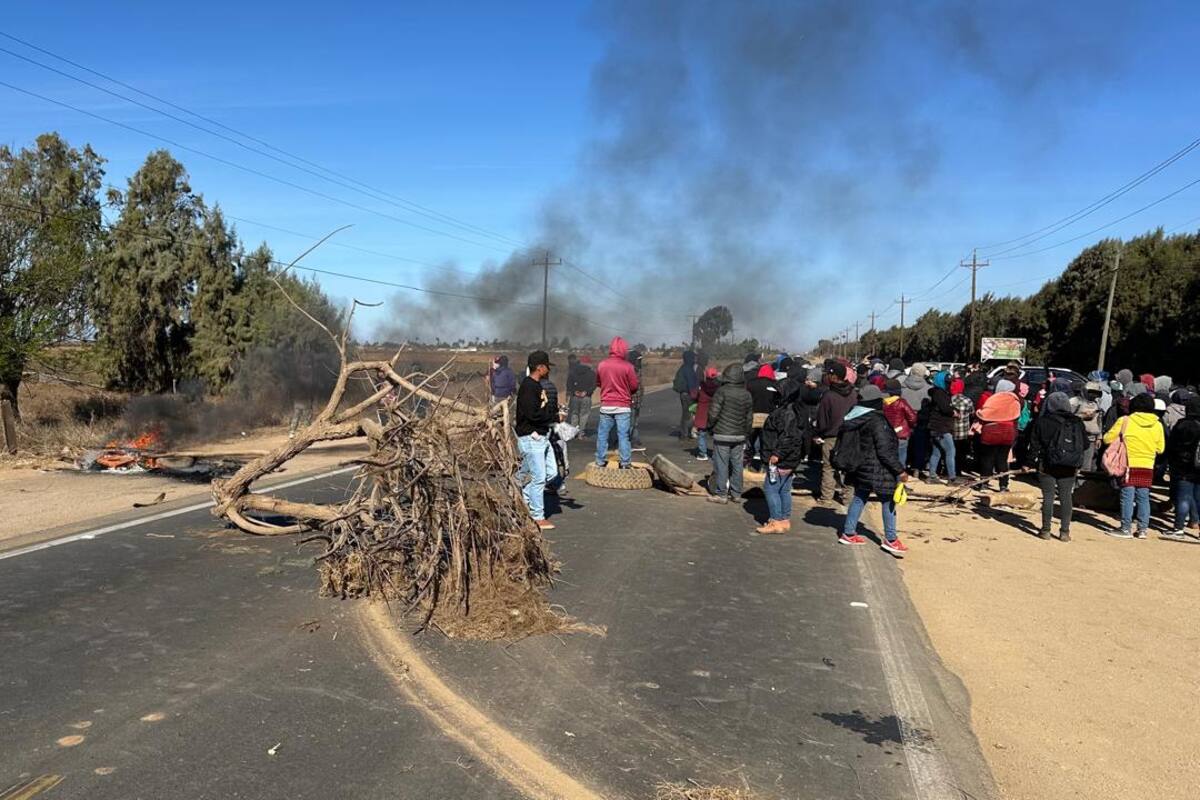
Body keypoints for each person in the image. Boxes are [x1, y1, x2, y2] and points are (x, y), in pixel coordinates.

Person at [837, 385, 909, 557]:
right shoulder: (877, 420)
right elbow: (884, 451)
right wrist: (900, 470)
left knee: (860, 497)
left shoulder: (856, 416)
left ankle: (848, 532)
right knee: (888, 501)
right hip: (879, 469)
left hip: (862, 466)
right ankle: (891, 539)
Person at [1103, 393, 1165, 539]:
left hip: (1128, 463)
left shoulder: (1125, 420)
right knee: (1143, 496)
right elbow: (1160, 448)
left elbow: (1107, 439)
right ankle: (1142, 529)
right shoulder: (1157, 424)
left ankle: (1125, 528)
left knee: (1127, 496)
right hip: (1148, 465)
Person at [1027, 392, 1087, 541]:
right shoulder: (1077, 422)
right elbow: (1085, 444)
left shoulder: (1043, 421)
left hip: (1048, 464)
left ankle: (1046, 530)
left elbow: (1034, 445)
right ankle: (1064, 532)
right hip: (1070, 465)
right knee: (1066, 497)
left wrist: (1028, 463)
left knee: (1048, 497)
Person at [514, 351, 559, 530]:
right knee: (539, 477)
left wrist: (554, 413)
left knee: (551, 473)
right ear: (540, 367)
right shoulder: (528, 387)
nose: (548, 369)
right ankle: (537, 516)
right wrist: (551, 415)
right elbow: (532, 414)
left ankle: (524, 500)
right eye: (546, 366)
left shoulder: (537, 385)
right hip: (531, 437)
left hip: (542, 436)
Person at [758, 380, 806, 533]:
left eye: (777, 394)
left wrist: (776, 454)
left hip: (781, 458)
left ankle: (776, 520)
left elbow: (788, 437)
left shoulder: (787, 413)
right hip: (791, 458)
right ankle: (784, 519)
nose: (774, 396)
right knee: (784, 490)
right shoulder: (798, 410)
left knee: (771, 489)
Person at [706, 363, 753, 504]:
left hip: (722, 434)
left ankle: (721, 494)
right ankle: (736, 493)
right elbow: (749, 417)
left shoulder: (721, 392)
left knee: (721, 464)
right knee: (737, 464)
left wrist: (710, 427)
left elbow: (713, 413)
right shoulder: (746, 394)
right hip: (739, 435)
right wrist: (747, 433)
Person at [814, 362, 858, 505]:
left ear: (833, 376)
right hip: (850, 435)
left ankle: (826, 497)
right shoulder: (853, 393)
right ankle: (848, 498)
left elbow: (822, 419)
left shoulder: (828, 395)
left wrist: (818, 433)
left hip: (831, 436)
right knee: (848, 467)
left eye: (828, 374)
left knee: (829, 467)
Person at [594, 337, 639, 470]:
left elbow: (598, 382)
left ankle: (600, 461)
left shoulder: (602, 365)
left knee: (602, 435)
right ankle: (625, 463)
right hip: (623, 406)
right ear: (623, 350)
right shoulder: (628, 366)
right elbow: (634, 386)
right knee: (623, 436)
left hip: (606, 405)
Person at [1165, 395, 1200, 538]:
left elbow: (1172, 446)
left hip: (1183, 467)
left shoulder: (1182, 425)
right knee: (1198, 499)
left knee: (1184, 498)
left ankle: (1178, 528)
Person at [977, 379, 1021, 492]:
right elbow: (1016, 416)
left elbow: (984, 414)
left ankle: (983, 483)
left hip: (991, 430)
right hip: (1008, 431)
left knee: (987, 459)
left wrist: (978, 413)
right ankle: (1003, 485)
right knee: (1002, 459)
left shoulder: (993, 399)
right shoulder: (1014, 400)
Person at [746, 364, 780, 469]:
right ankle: (764, 466)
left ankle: (747, 462)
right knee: (766, 443)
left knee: (750, 441)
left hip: (753, 416)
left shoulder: (751, 384)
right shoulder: (775, 385)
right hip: (768, 417)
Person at [926, 371, 957, 483]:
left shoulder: (939, 392)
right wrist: (954, 412)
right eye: (947, 382)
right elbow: (945, 409)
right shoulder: (940, 393)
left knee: (936, 452)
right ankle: (952, 478)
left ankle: (932, 476)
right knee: (950, 451)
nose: (949, 384)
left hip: (936, 426)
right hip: (941, 427)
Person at [883, 378, 917, 467]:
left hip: (887, 434)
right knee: (901, 458)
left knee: (890, 457)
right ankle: (900, 478)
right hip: (901, 434)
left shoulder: (883, 403)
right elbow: (912, 417)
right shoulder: (901, 402)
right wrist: (911, 426)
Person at [1071, 381, 1104, 472]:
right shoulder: (1075, 402)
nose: (1093, 395)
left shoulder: (1097, 404)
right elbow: (1068, 417)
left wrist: (1099, 437)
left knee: (1086, 466)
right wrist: (1082, 416)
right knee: (1073, 462)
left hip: (1091, 439)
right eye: (1091, 392)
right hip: (1076, 437)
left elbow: (1099, 420)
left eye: (1095, 393)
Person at [565, 354, 597, 436]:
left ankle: (572, 432)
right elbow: (594, 385)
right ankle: (581, 433)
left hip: (575, 396)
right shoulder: (592, 373)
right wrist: (587, 392)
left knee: (574, 414)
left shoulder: (573, 372)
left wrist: (573, 391)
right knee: (584, 415)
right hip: (586, 396)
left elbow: (568, 384)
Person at [693, 366, 720, 461]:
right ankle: (716, 454)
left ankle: (702, 453)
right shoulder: (719, 388)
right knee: (716, 436)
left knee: (702, 434)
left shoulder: (701, 386)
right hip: (715, 413)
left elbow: (694, 396)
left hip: (702, 413)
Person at [672, 350, 701, 438]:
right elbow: (691, 383)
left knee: (687, 414)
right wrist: (695, 394)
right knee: (687, 415)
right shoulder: (688, 368)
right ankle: (684, 434)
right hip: (687, 394)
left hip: (685, 394)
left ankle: (685, 433)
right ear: (690, 358)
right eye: (693, 357)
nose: (695, 359)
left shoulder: (684, 367)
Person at [950, 378, 975, 475]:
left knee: (949, 452)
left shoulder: (949, 399)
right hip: (963, 431)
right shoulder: (967, 400)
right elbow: (972, 412)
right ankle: (958, 471)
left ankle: (948, 470)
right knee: (961, 453)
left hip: (951, 430)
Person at [627, 344, 647, 452]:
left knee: (634, 423)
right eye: (638, 360)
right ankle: (630, 443)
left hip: (637, 401)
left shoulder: (637, 370)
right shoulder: (630, 370)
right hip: (631, 401)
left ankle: (634, 439)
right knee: (630, 424)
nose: (640, 362)